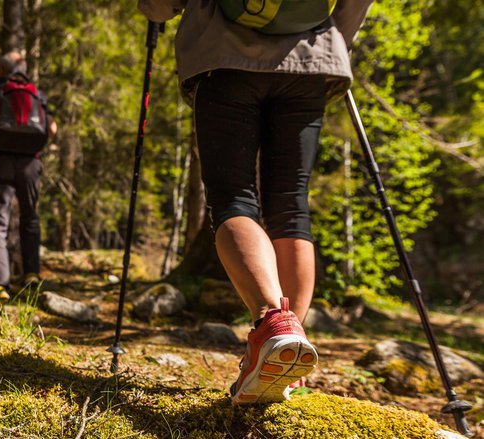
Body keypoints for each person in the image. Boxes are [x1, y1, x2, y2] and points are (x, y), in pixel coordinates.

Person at [137, 0, 372, 404]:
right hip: (313, 58)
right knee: (291, 205)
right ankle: (288, 354)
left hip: (224, 58)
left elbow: (159, 8)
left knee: (233, 200)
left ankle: (273, 328)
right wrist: (336, 37)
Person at [0, 51, 57, 309]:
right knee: (30, 216)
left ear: (1, 69)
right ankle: (31, 273)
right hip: (31, 161)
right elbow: (51, 128)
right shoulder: (35, 92)